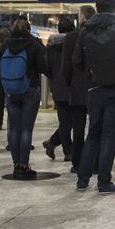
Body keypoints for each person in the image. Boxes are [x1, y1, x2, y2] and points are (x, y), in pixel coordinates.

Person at [73, 0, 115, 194]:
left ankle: (82, 180)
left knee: (93, 133)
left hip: (94, 88)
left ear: (97, 8)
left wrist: (91, 74)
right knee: (109, 136)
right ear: (114, 8)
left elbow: (77, 61)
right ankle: (104, 181)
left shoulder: (84, 30)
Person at [0, 17, 47, 178]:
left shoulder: (5, 44)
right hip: (29, 89)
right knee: (26, 129)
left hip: (10, 90)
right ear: (29, 29)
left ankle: (15, 164)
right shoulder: (34, 44)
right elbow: (42, 66)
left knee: (14, 128)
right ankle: (23, 165)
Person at [62, 5, 95, 173]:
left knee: (78, 128)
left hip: (76, 88)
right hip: (96, 87)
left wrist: (71, 83)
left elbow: (66, 67)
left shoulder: (70, 37)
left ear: (82, 18)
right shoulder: (100, 35)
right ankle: (94, 163)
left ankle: (77, 163)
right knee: (96, 128)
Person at [43, 18, 75, 161]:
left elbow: (46, 68)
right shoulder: (74, 44)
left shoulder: (50, 47)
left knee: (66, 120)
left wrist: (55, 78)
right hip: (73, 86)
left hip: (57, 87)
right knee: (72, 120)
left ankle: (53, 142)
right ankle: (68, 151)